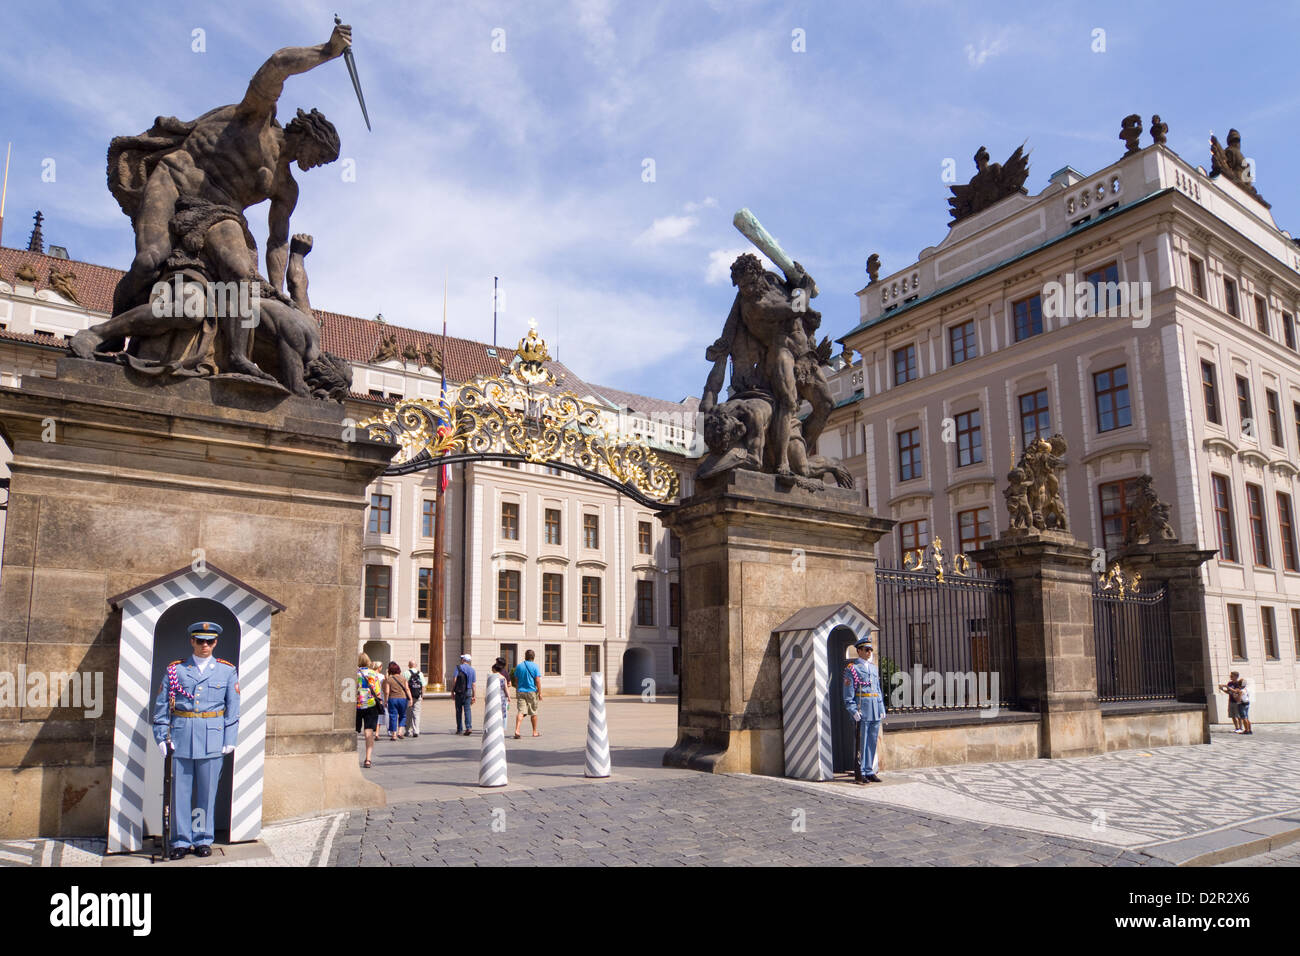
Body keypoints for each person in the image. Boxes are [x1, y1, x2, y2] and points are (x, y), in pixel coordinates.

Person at [152, 621, 240, 859]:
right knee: (180, 792)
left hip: (212, 738)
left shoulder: (226, 671)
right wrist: (161, 736)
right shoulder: (176, 670)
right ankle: (180, 840)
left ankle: (202, 838)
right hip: (180, 736)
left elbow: (233, 709)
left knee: (206, 793)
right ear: (192, 641)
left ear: (216, 642)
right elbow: (161, 708)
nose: (205, 645)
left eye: (209, 641)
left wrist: (230, 737)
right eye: (200, 640)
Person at [842, 634, 885, 784]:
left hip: (874, 708)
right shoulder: (852, 669)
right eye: (866, 650)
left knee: (872, 741)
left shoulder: (873, 668)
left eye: (870, 650)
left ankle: (869, 770)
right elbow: (848, 694)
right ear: (859, 651)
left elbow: (878, 689)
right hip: (863, 709)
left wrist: (881, 708)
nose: (869, 653)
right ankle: (861, 772)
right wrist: (853, 710)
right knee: (863, 742)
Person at [355, 653, 384, 768]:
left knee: (353, 732)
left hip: (356, 705)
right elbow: (377, 691)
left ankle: (352, 756)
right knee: (368, 732)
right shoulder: (373, 673)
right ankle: (368, 759)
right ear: (368, 661)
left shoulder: (354, 673)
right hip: (371, 705)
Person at [512, 649, 542, 739]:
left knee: (521, 711)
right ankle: (534, 731)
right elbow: (537, 680)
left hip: (521, 691)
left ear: (525, 656)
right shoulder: (535, 666)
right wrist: (540, 693)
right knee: (533, 712)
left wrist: (518, 689)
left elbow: (516, 679)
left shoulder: (519, 666)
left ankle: (517, 730)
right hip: (531, 691)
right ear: (533, 657)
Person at [383, 662, 412, 740]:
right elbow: (407, 689)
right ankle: (400, 732)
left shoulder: (389, 679)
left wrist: (385, 701)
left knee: (393, 716)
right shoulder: (403, 678)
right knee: (403, 715)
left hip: (392, 699)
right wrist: (411, 699)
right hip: (403, 699)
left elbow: (387, 692)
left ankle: (394, 735)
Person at [451, 654, 477, 736]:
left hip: (459, 691)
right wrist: (474, 695)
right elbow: (474, 684)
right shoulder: (472, 670)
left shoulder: (458, 668)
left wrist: (452, 691)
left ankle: (459, 729)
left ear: (463, 660)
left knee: (459, 710)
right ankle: (468, 727)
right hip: (468, 691)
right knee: (467, 710)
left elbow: (455, 680)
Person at [406, 660, 425, 738]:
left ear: (409, 665)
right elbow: (423, 685)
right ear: (416, 665)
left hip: (408, 696)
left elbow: (405, 686)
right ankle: (416, 731)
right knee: (416, 714)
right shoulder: (420, 673)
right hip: (417, 696)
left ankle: (408, 731)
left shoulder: (406, 673)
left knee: (408, 714)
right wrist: (422, 695)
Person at [490, 657, 510, 726]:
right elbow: (508, 685)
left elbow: (508, 684)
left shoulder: (494, 676)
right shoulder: (504, 674)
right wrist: (508, 696)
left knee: (494, 712)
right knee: (502, 711)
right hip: (502, 695)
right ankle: (502, 726)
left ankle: (498, 726)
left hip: (496, 696)